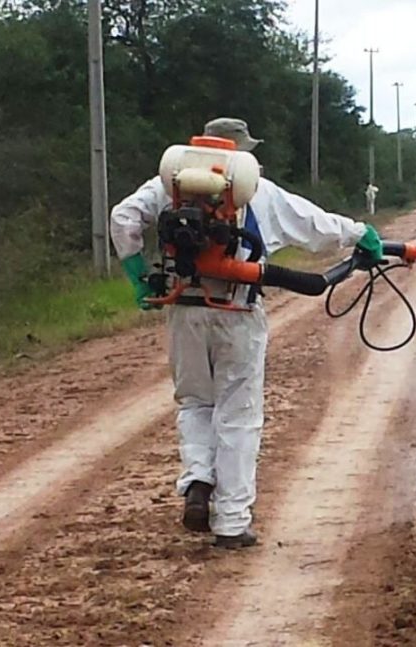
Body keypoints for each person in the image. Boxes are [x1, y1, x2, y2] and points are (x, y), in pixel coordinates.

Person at [109, 118, 384, 549]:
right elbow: (315, 226)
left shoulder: (169, 183)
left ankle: (198, 480)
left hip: (183, 308)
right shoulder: (258, 190)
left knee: (197, 401)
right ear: (240, 152)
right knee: (238, 415)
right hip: (236, 309)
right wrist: (360, 234)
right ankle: (232, 523)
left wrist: (138, 277)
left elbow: (123, 218)